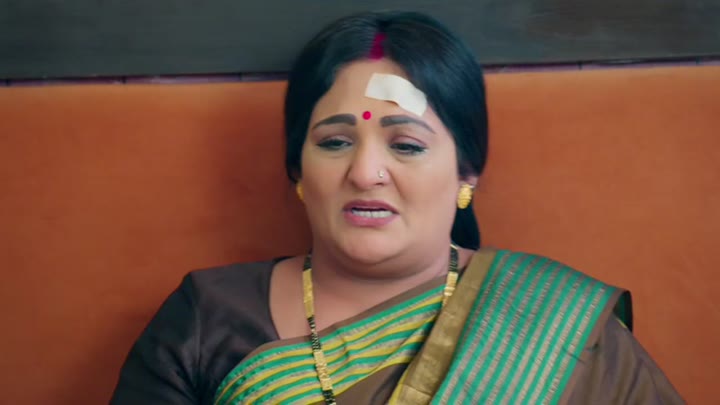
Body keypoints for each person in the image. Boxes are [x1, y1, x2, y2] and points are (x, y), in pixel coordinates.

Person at [110, 10, 682, 404]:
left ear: (466, 173)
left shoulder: (556, 329)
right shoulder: (205, 318)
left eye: (406, 145)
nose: (364, 172)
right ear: (298, 170)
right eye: (335, 142)